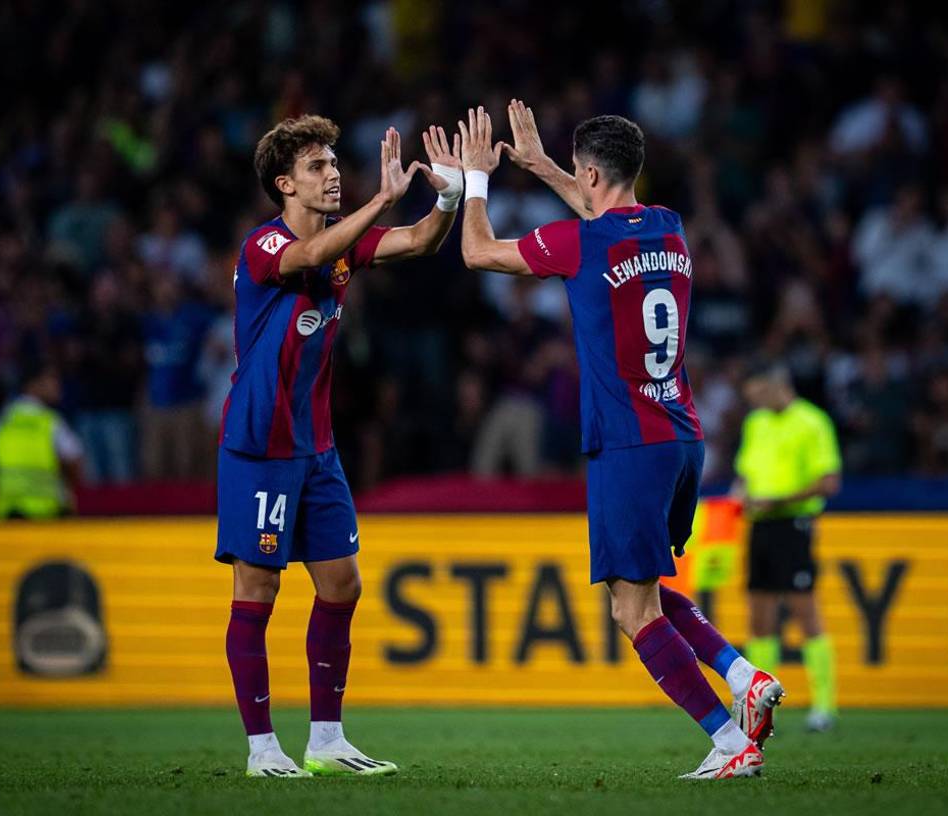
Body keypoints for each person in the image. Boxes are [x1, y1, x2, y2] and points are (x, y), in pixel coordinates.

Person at [457, 101, 780, 780]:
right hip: (683, 437)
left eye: (578, 174)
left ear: (590, 172)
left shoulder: (580, 244)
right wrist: (547, 164)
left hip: (628, 444)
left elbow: (478, 251)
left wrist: (477, 180)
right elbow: (601, 208)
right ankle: (742, 672)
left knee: (630, 611)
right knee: (652, 592)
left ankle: (728, 741)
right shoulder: (668, 227)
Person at [218, 116, 462, 779]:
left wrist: (447, 197)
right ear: (283, 183)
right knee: (258, 587)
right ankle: (261, 749)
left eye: (333, 163)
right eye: (318, 167)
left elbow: (417, 241)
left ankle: (326, 740)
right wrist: (379, 200)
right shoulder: (264, 245)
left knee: (342, 584)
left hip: (315, 449)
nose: (333, 174)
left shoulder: (342, 244)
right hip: (260, 446)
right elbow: (309, 258)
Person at [731, 361, 842, 732]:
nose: (755, 403)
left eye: (759, 394)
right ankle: (763, 705)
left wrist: (776, 501)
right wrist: (736, 501)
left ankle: (823, 705)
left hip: (793, 524)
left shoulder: (812, 422)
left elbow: (828, 481)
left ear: (779, 384)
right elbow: (745, 476)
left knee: (803, 611)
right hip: (759, 526)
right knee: (759, 618)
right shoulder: (756, 423)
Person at [0, 362, 84, 519]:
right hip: (49, 514)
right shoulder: (50, 422)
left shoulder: (3, 422)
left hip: (9, 517)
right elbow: (75, 462)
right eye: (51, 378)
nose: (57, 384)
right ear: (33, 384)